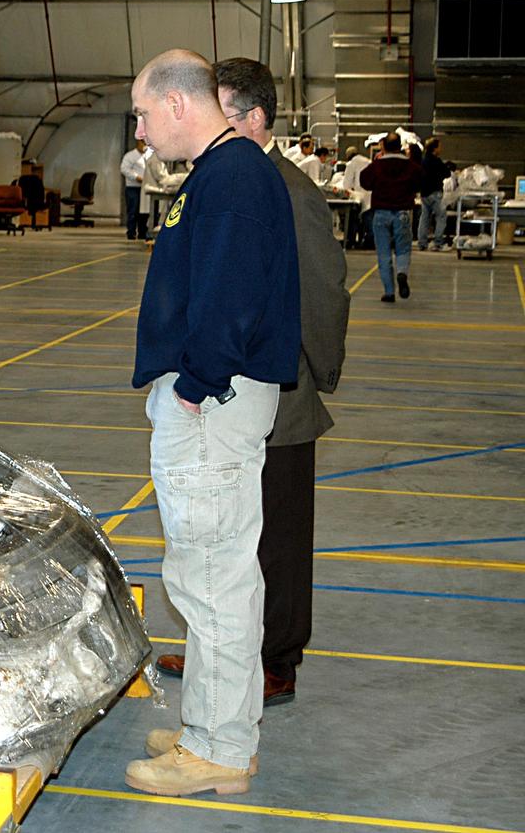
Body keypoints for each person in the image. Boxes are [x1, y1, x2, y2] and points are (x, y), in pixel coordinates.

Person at [123, 49, 300, 797]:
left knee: (212, 575)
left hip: (213, 403)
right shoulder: (225, 172)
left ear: (176, 104)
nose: (137, 128)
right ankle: (214, 725)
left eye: (140, 111)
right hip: (214, 398)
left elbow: (230, 299)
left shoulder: (229, 178)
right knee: (206, 571)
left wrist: (194, 385)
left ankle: (220, 748)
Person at [154, 57, 349, 710]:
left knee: (277, 537)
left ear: (255, 119)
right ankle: (220, 653)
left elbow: (324, 288)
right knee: (223, 535)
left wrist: (316, 374)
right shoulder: (225, 177)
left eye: (224, 114)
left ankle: (276, 658)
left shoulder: (285, 189)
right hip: (228, 386)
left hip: (278, 392)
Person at [361, 133, 423, 303]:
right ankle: (401, 273)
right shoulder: (411, 166)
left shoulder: (376, 166)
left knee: (383, 253)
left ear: (384, 147)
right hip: (402, 212)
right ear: (400, 147)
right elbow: (420, 182)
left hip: (381, 212)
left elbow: (364, 181)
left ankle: (389, 292)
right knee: (403, 249)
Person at [418, 137, 452, 251]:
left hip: (424, 194)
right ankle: (438, 243)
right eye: (439, 146)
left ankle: (422, 243)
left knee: (424, 218)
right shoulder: (436, 161)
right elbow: (446, 173)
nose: (441, 148)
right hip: (435, 193)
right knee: (441, 217)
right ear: (435, 148)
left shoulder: (423, 160)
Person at [341, 142, 377, 249]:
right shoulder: (368, 161)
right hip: (372, 195)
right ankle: (370, 241)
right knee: (370, 221)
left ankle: (351, 240)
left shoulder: (351, 164)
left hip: (359, 196)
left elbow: (346, 185)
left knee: (355, 219)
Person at [120, 138, 149, 241]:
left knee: (144, 212)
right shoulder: (130, 156)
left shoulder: (148, 155)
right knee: (133, 211)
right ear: (138, 142)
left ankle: (143, 232)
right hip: (133, 188)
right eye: (143, 142)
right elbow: (124, 169)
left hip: (145, 188)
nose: (145, 145)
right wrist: (136, 177)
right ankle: (131, 233)